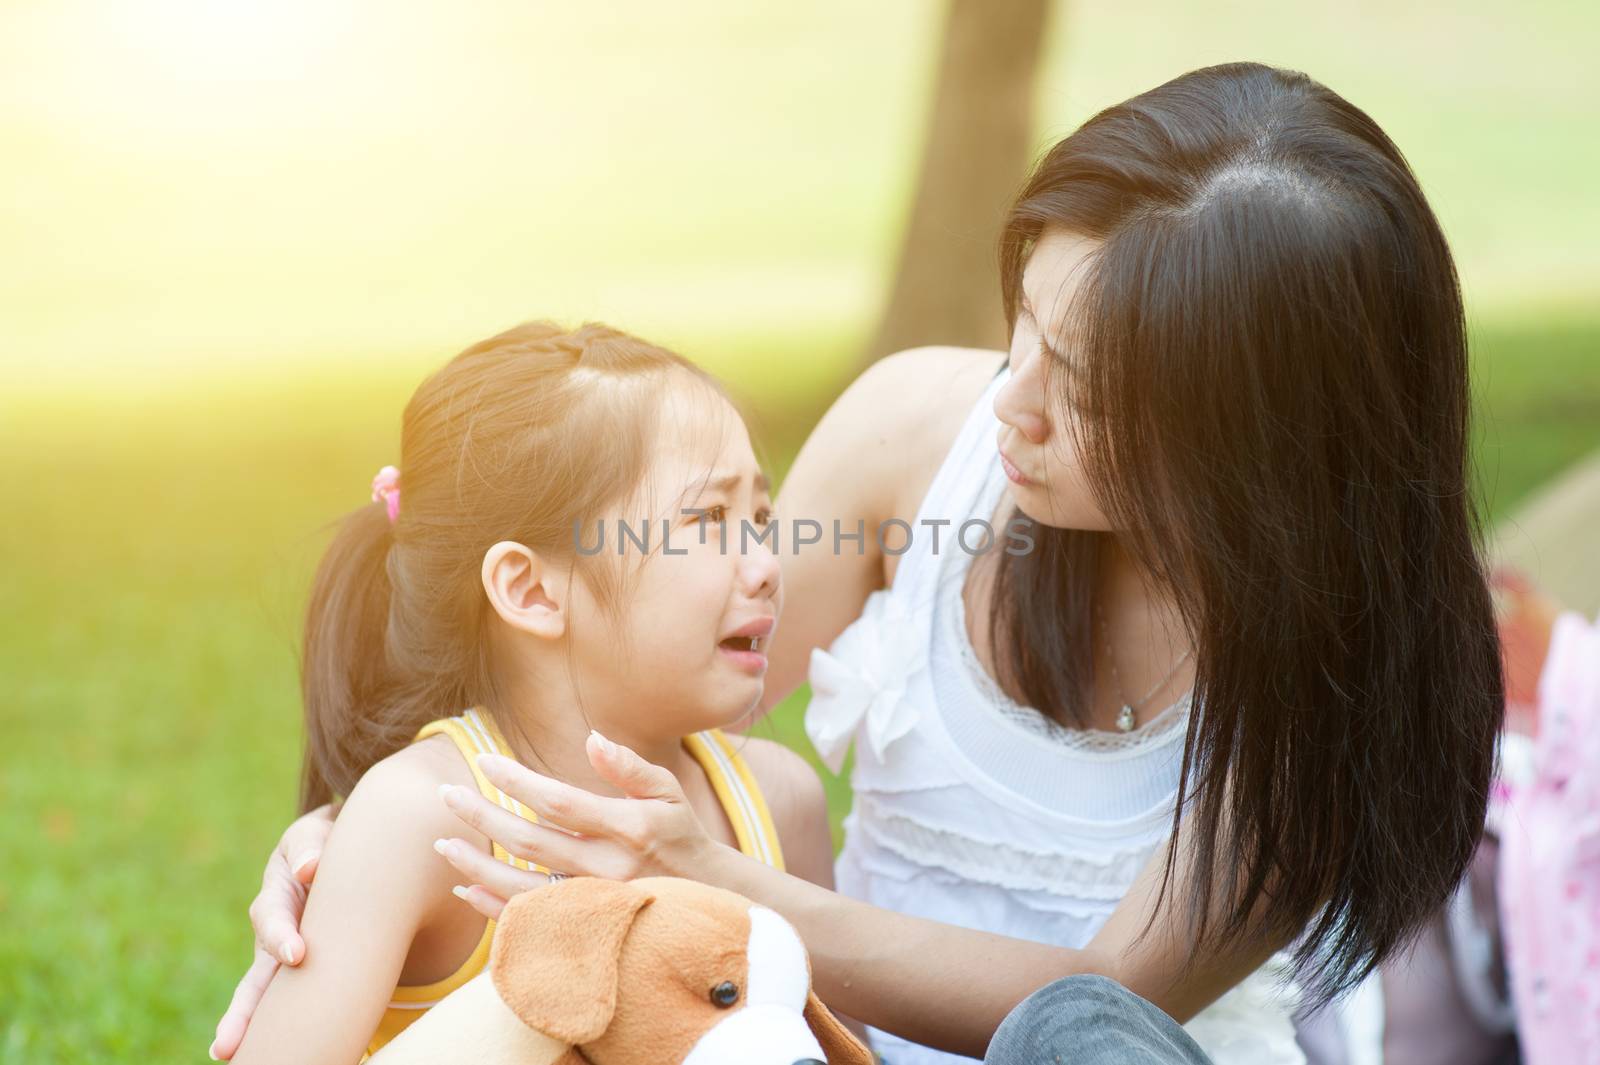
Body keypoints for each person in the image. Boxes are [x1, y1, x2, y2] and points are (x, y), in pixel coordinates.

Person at [219, 63, 1504, 1063]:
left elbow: (1096, 1015)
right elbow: (624, 650)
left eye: (1090, 393)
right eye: (1025, 331)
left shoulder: (1337, 673)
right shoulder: (915, 441)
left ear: (1258, 449)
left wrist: (727, 891)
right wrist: (382, 822)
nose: (1012, 408)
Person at [214, 322, 836, 1063]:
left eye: (760, 518)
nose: (765, 561)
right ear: (532, 589)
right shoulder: (426, 821)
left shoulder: (780, 801)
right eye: (706, 519)